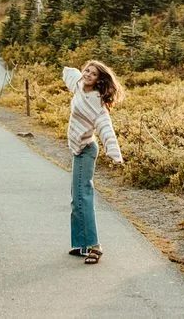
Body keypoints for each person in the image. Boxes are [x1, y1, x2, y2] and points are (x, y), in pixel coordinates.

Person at [61, 59, 125, 263]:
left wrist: (115, 153)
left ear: (99, 80)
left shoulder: (96, 103)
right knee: (76, 198)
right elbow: (69, 74)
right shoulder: (79, 86)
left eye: (93, 73)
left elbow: (106, 128)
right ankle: (81, 244)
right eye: (87, 70)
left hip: (87, 150)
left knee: (83, 197)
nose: (88, 74)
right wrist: (69, 71)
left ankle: (95, 247)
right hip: (77, 149)